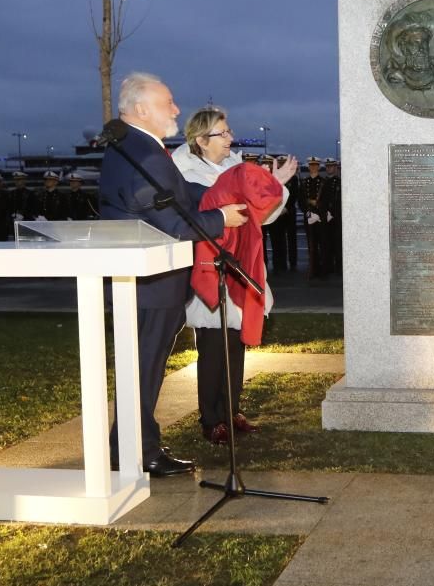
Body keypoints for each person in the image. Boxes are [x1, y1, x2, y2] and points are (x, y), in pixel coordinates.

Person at [99, 72, 248, 477]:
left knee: (143, 367)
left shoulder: (137, 148)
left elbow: (180, 192)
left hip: (149, 284)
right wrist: (222, 217)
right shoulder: (143, 154)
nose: (177, 109)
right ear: (142, 108)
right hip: (151, 286)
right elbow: (175, 223)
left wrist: (220, 197)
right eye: (169, 102)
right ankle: (138, 451)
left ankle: (130, 446)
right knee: (145, 368)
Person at [173, 106, 297, 444]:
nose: (231, 138)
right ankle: (211, 418)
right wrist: (262, 188)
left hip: (240, 264)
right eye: (223, 133)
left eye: (229, 132)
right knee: (212, 348)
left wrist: (275, 185)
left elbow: (260, 217)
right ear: (201, 139)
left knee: (236, 344)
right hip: (208, 266)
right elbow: (211, 210)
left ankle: (231, 410)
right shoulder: (183, 172)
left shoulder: (236, 167)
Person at [299, 156, 326, 279]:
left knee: (322, 243)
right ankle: (312, 269)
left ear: (319, 167)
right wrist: (306, 211)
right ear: (309, 167)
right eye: (311, 165)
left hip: (320, 217)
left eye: (315, 165)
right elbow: (300, 200)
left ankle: (322, 270)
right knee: (311, 244)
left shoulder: (323, 182)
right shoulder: (304, 182)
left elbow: (327, 199)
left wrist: (319, 209)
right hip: (309, 216)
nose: (313, 167)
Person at [323, 157, 342, 275]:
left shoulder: (339, 182)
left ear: (335, 168)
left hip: (337, 217)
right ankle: (328, 267)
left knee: (338, 243)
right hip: (325, 217)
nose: (329, 168)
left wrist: (334, 213)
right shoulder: (323, 182)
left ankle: (339, 267)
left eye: (331, 166)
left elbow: (339, 200)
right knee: (327, 243)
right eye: (328, 166)